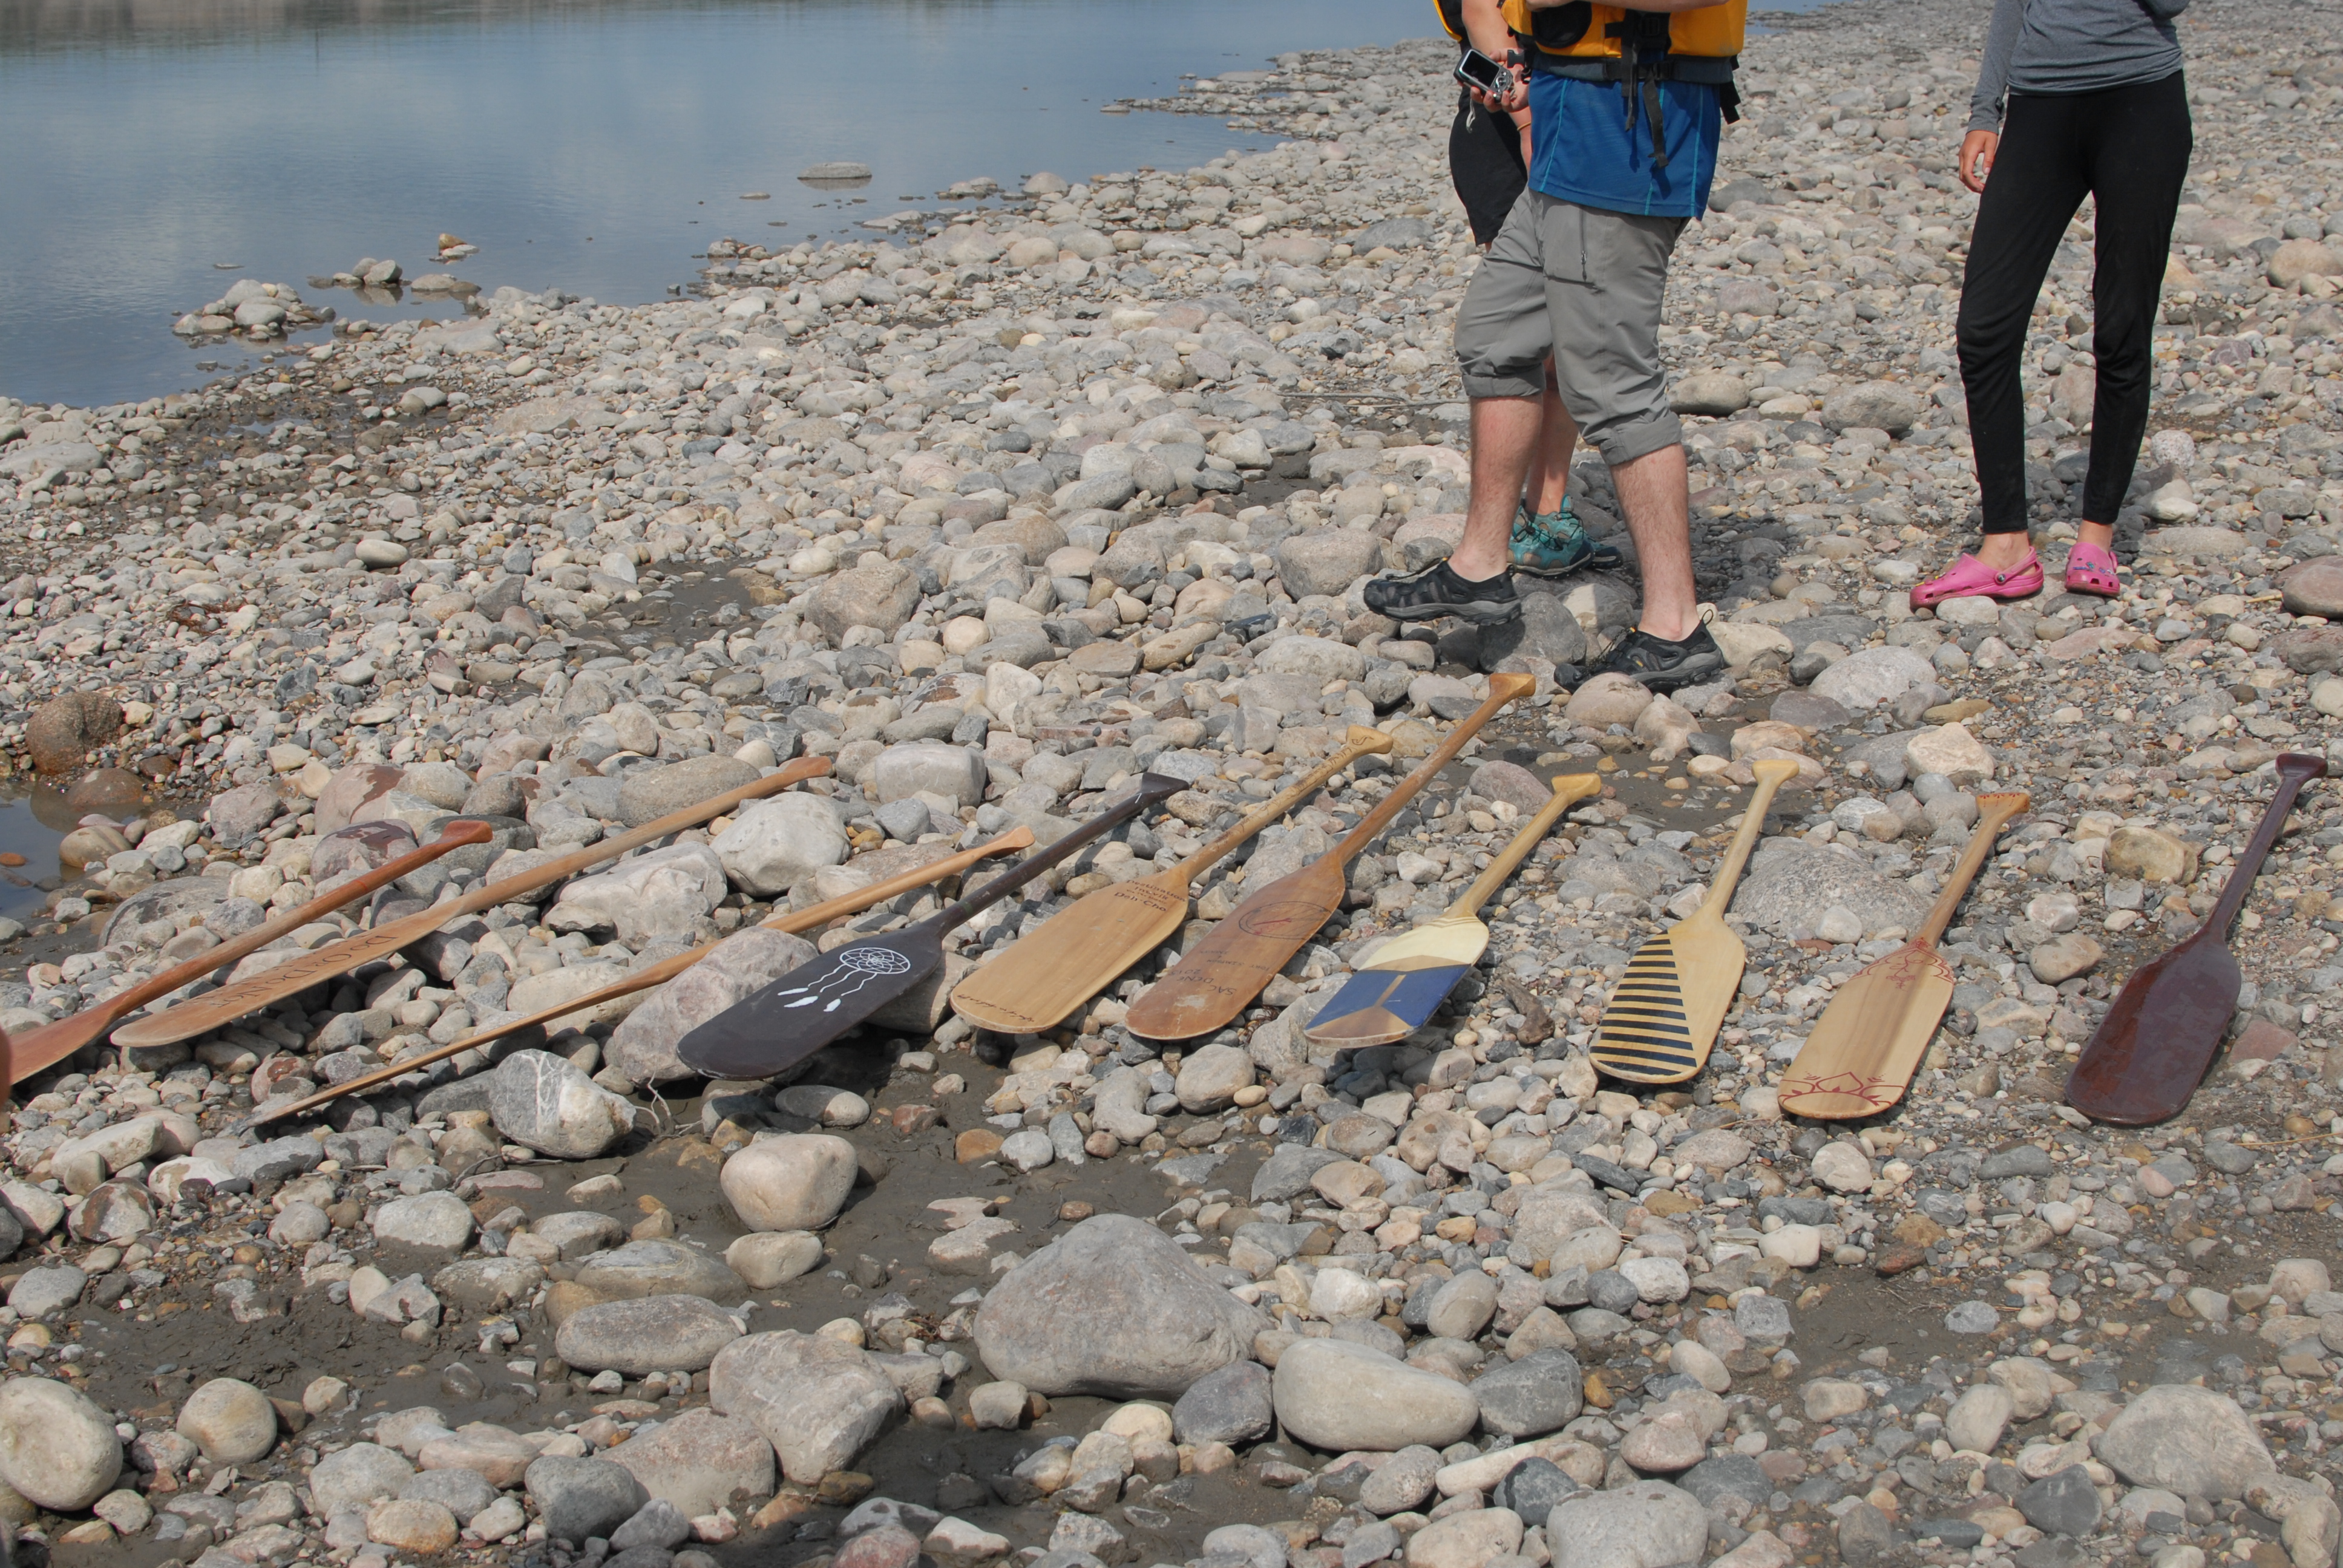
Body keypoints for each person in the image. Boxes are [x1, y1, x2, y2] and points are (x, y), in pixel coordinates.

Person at [1369, 0, 1743, 693]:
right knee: (1495, 335)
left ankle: (1675, 627)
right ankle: (1479, 567)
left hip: (1627, 130)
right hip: (1565, 125)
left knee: (1611, 381)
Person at [1911, 0, 2192, 607]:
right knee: (1983, 328)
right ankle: (2005, 546)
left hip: (2142, 99)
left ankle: (2096, 536)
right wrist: (1985, 108)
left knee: (2121, 326)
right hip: (2038, 106)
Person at [1437, 0, 1619, 577]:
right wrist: (1528, 124)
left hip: (1572, 121)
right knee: (1530, 330)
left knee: (1567, 332)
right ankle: (1521, 524)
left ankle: (1547, 510)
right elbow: (1481, 15)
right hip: (1509, 131)